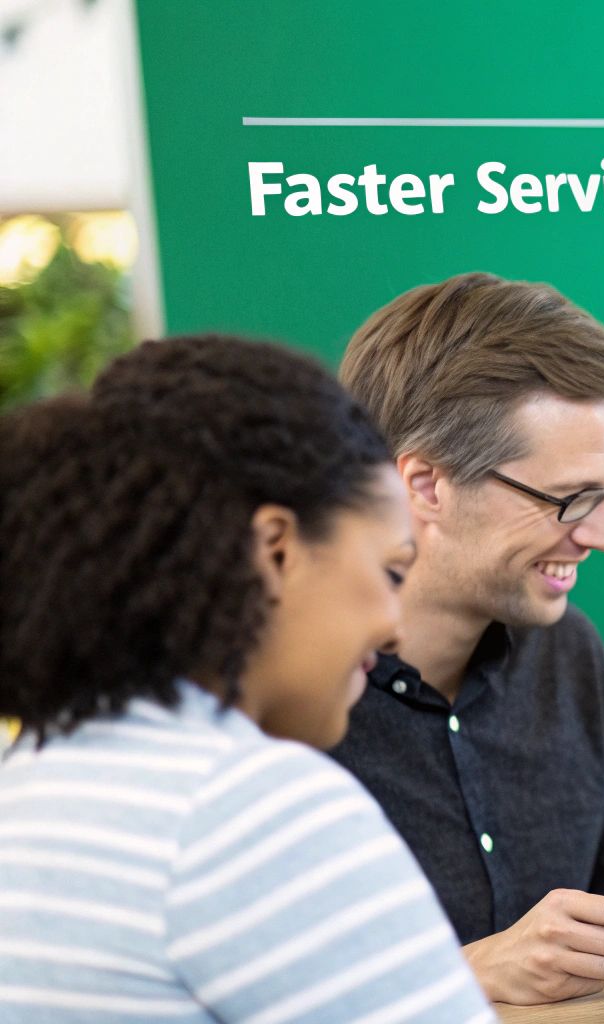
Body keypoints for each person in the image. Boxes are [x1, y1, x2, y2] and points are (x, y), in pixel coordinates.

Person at [0, 336, 495, 1022]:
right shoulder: (250, 810)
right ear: (275, 550)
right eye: (390, 573)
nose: (393, 628)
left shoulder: (31, 781)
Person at [330, 272, 604, 1005]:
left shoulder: (570, 657)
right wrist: (462, 973)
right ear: (425, 486)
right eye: (571, 499)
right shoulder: (272, 698)